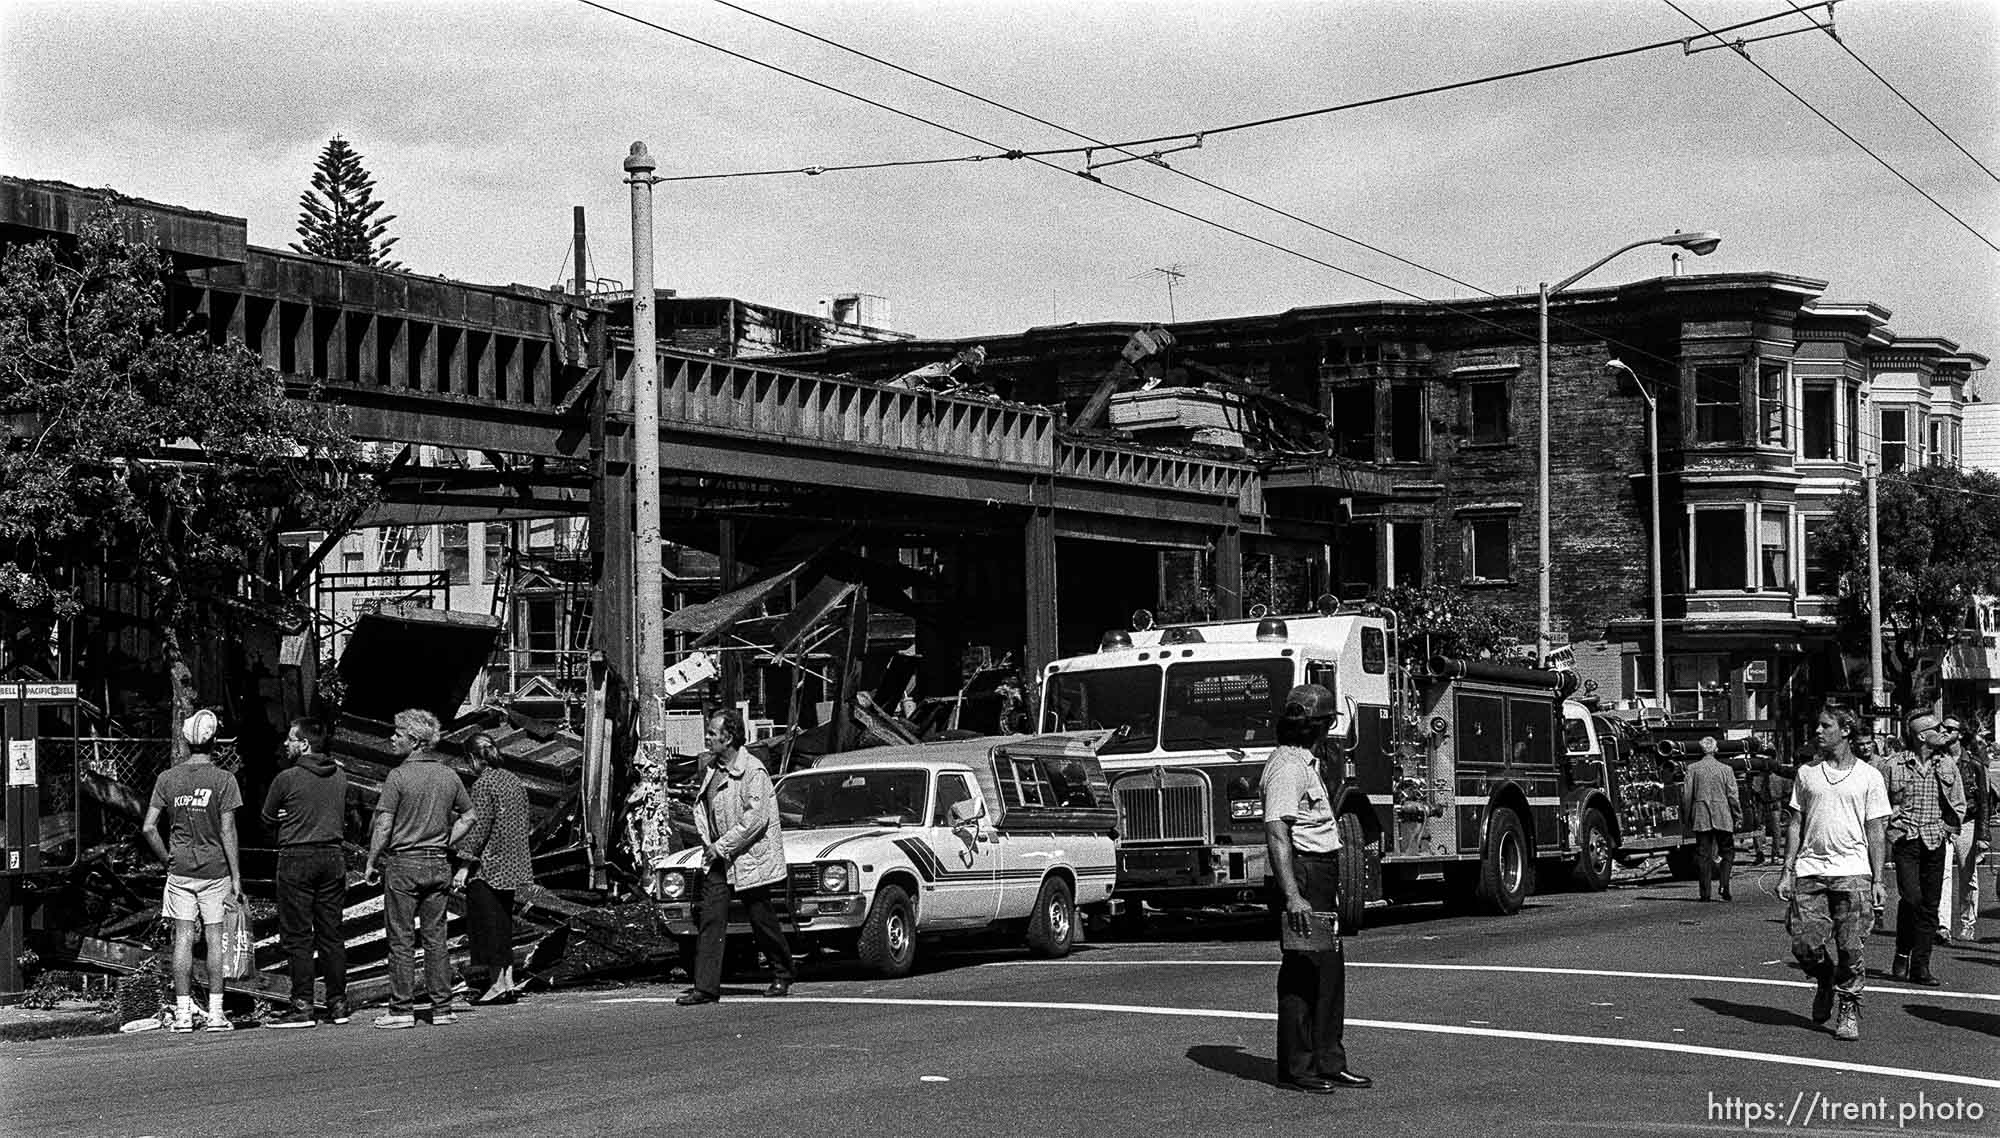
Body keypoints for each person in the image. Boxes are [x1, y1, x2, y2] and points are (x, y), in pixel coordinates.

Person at [1262, 683, 1370, 1095]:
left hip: (1320, 873)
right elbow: (1277, 833)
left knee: (1328, 971)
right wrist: (1293, 894)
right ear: (1318, 727)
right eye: (1326, 723)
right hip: (1304, 874)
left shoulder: (1306, 762)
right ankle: (1298, 1068)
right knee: (1303, 972)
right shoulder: (1288, 767)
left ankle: (1329, 1060)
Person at [1779, 707, 1889, 1042]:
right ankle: (1824, 977)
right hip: (1811, 869)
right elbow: (1795, 823)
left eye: (1826, 725)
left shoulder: (1869, 776)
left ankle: (1849, 1007)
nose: (1818, 730)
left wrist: (1878, 880)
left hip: (1853, 871)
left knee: (1850, 946)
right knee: (1803, 943)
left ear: (1846, 731)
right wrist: (1788, 869)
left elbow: (1876, 830)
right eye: (1818, 724)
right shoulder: (1807, 773)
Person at [363, 708, 474, 1028]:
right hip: (438, 862)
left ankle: (401, 1010)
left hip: (404, 863)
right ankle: (442, 1007)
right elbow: (469, 817)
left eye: (397, 734)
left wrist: (372, 860)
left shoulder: (397, 776)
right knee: (436, 938)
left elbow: (384, 825)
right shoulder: (448, 775)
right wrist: (446, 841)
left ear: (413, 740)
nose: (392, 738)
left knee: (401, 939)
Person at [677, 709, 795, 1005]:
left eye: (713, 733)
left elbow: (755, 820)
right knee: (711, 918)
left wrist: (722, 845)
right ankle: (705, 988)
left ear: (728, 737)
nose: (708, 737)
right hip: (719, 858)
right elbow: (704, 809)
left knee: (761, 918)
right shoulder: (711, 769)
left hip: (748, 857)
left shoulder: (753, 771)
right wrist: (710, 845)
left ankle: (782, 972)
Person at [141, 710, 246, 1033]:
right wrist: (237, 876)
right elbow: (228, 831)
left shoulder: (167, 779)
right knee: (215, 939)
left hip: (180, 869)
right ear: (214, 741)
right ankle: (216, 1013)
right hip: (215, 871)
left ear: (185, 741)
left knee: (183, 939)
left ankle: (184, 1013)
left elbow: (148, 828)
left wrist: (167, 860)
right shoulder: (224, 780)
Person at [260, 717, 349, 1028]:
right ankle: (338, 1001)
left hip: (297, 855)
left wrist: (285, 817)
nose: (286, 743)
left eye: (291, 738)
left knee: (298, 935)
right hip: (332, 855)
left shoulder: (286, 779)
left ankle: (302, 1004)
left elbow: (267, 818)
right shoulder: (339, 775)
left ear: (304, 744)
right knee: (331, 933)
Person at [1883, 710, 1966, 986]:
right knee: (1912, 899)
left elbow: (1958, 802)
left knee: (1930, 905)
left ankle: (1920, 966)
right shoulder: (1894, 765)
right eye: (1936, 728)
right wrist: (1889, 827)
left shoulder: (1946, 765)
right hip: (1906, 840)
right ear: (1921, 736)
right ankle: (1902, 950)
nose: (1942, 732)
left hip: (1934, 839)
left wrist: (1948, 829)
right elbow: (1879, 805)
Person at [453, 731, 534, 1005]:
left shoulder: (483, 785)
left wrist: (464, 864)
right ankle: (508, 981)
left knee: (488, 928)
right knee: (503, 925)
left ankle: (497, 984)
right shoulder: (514, 781)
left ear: (474, 758)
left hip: (489, 866)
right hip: (513, 864)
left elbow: (478, 828)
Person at [1936, 717, 1990, 943]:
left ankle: (1968, 922)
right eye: (1943, 728)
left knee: (1968, 875)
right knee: (1943, 874)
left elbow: (1984, 801)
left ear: (1960, 733)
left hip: (1966, 822)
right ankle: (1943, 925)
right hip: (1942, 823)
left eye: (1950, 729)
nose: (1945, 732)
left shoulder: (1974, 764)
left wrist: (1984, 835)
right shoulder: (1936, 760)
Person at [1681, 736, 1743, 901]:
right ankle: (1724, 885)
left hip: (1701, 816)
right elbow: (1733, 796)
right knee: (1728, 852)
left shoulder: (1693, 769)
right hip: (1722, 815)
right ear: (1716, 750)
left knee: (1703, 855)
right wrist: (1738, 815)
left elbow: (1687, 796)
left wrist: (1686, 818)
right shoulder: (1726, 769)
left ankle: (1705, 893)